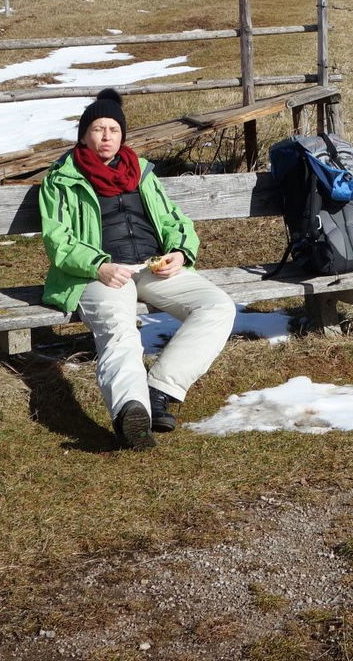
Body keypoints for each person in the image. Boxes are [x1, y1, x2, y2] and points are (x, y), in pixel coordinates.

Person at [39, 88, 237, 450]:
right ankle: (131, 412)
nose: (106, 137)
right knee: (120, 329)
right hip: (97, 273)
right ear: (84, 134)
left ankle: (159, 390)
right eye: (98, 129)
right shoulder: (61, 179)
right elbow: (58, 240)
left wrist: (179, 251)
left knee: (218, 306)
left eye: (113, 130)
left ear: (122, 135)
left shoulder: (141, 172)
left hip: (151, 266)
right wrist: (98, 266)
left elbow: (175, 220)